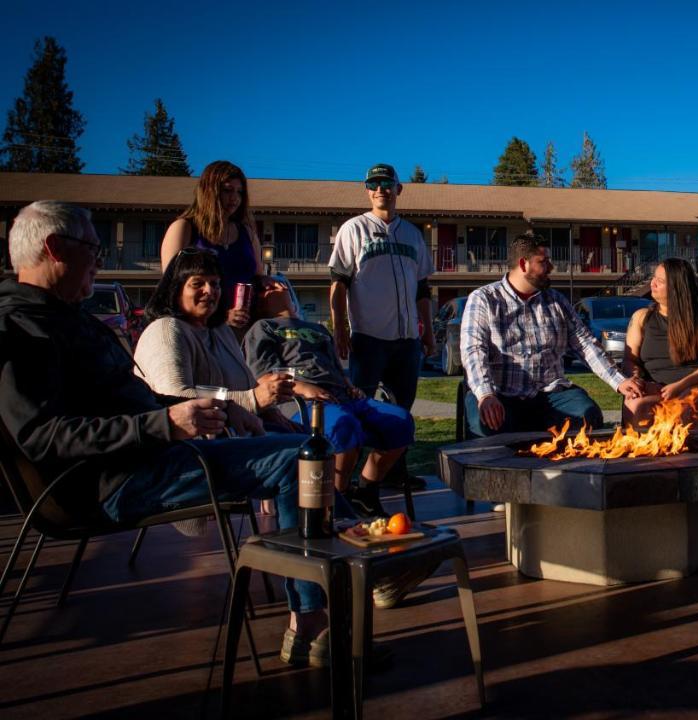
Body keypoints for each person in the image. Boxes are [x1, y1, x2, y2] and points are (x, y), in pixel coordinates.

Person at [0, 201, 329, 666]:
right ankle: (312, 623)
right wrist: (166, 423)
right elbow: (44, 436)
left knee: (305, 448)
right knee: (300, 459)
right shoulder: (20, 329)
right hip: (110, 481)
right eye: (92, 248)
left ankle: (342, 568)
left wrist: (217, 410)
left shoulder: (66, 317)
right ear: (55, 249)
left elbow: (141, 400)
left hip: (146, 456)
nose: (98, 259)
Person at [244, 276, 414, 520]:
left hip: (343, 396)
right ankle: (336, 500)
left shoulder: (318, 329)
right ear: (258, 303)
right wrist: (303, 388)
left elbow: (334, 366)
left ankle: (365, 491)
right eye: (268, 288)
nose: (278, 287)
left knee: (400, 421)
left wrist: (349, 385)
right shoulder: (263, 328)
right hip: (301, 403)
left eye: (279, 284)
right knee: (345, 427)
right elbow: (263, 376)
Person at [461, 231, 643, 437]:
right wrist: (485, 394)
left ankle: (571, 468)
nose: (551, 267)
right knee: (484, 425)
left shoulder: (556, 300)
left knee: (588, 415)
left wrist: (618, 380)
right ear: (523, 264)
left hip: (550, 393)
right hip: (501, 394)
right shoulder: (484, 299)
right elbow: (473, 352)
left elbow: (585, 344)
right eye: (544, 261)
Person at [328, 163, 434, 492]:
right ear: (367, 190)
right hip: (368, 337)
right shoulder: (353, 229)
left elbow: (422, 289)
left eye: (387, 183)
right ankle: (343, 484)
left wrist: (428, 331)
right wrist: (340, 329)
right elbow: (338, 284)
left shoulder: (413, 234)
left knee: (400, 411)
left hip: (406, 341)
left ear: (398, 189)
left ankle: (391, 474)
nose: (380, 189)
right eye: (373, 184)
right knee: (356, 408)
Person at [132, 248, 295, 433]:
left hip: (238, 434)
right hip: (195, 449)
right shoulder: (166, 330)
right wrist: (253, 400)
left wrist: (270, 410)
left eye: (215, 284)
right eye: (197, 284)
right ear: (176, 290)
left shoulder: (220, 331)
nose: (209, 290)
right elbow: (175, 398)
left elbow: (249, 384)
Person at [622, 258, 698, 429]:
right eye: (654, 278)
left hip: (696, 387)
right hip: (656, 388)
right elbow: (629, 359)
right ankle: (642, 454)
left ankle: (689, 455)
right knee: (635, 406)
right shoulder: (642, 317)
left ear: (677, 288)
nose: (653, 283)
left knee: (685, 409)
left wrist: (681, 385)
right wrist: (636, 378)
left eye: (660, 281)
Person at [160, 161, 264, 332]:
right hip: (199, 329)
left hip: (247, 325)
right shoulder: (184, 228)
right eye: (227, 190)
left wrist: (270, 282)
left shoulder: (247, 232)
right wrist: (221, 316)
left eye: (240, 192)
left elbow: (258, 276)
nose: (235, 198)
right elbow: (171, 287)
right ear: (210, 191)